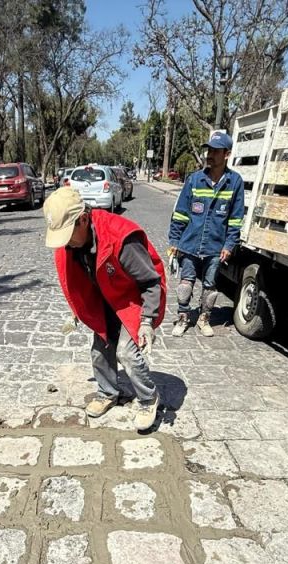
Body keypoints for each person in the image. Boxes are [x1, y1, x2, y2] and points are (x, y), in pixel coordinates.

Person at [43, 186, 167, 432]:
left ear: (84, 219)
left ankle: (148, 398)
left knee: (127, 353)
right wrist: (77, 310)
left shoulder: (121, 238)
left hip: (135, 299)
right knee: (99, 349)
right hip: (106, 297)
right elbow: (77, 280)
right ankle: (108, 392)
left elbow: (151, 282)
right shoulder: (73, 244)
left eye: (68, 234)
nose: (65, 243)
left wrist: (146, 321)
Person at [166, 130, 245, 337]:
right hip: (189, 244)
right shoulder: (194, 180)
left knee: (210, 287)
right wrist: (174, 240)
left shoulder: (235, 182)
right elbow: (181, 213)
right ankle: (183, 318)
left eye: (215, 151)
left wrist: (229, 245)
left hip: (215, 247)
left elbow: (235, 220)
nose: (210, 154)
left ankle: (204, 319)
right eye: (209, 150)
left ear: (226, 154)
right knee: (185, 285)